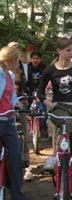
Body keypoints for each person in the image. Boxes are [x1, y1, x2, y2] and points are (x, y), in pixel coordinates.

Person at [37, 37, 72, 199]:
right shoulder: (50, 70)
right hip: (58, 108)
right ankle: (55, 157)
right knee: (67, 123)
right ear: (59, 51)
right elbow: (39, 92)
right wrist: (47, 102)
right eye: (68, 51)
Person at [0, 46, 27, 200]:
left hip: (9, 121)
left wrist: (17, 104)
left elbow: (11, 96)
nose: (18, 63)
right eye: (17, 60)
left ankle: (17, 194)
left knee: (16, 157)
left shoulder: (9, 75)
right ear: (10, 60)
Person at [7, 41, 34, 182]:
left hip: (21, 104)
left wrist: (27, 101)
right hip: (5, 107)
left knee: (23, 135)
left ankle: (26, 168)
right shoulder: (3, 69)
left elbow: (30, 86)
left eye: (17, 50)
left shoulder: (25, 67)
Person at [28, 51, 48, 138]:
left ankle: (43, 127)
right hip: (30, 91)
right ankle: (30, 126)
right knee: (27, 109)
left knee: (43, 109)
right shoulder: (27, 67)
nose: (35, 60)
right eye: (33, 58)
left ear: (40, 59)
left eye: (37, 58)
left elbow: (47, 79)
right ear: (31, 59)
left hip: (41, 91)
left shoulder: (44, 68)